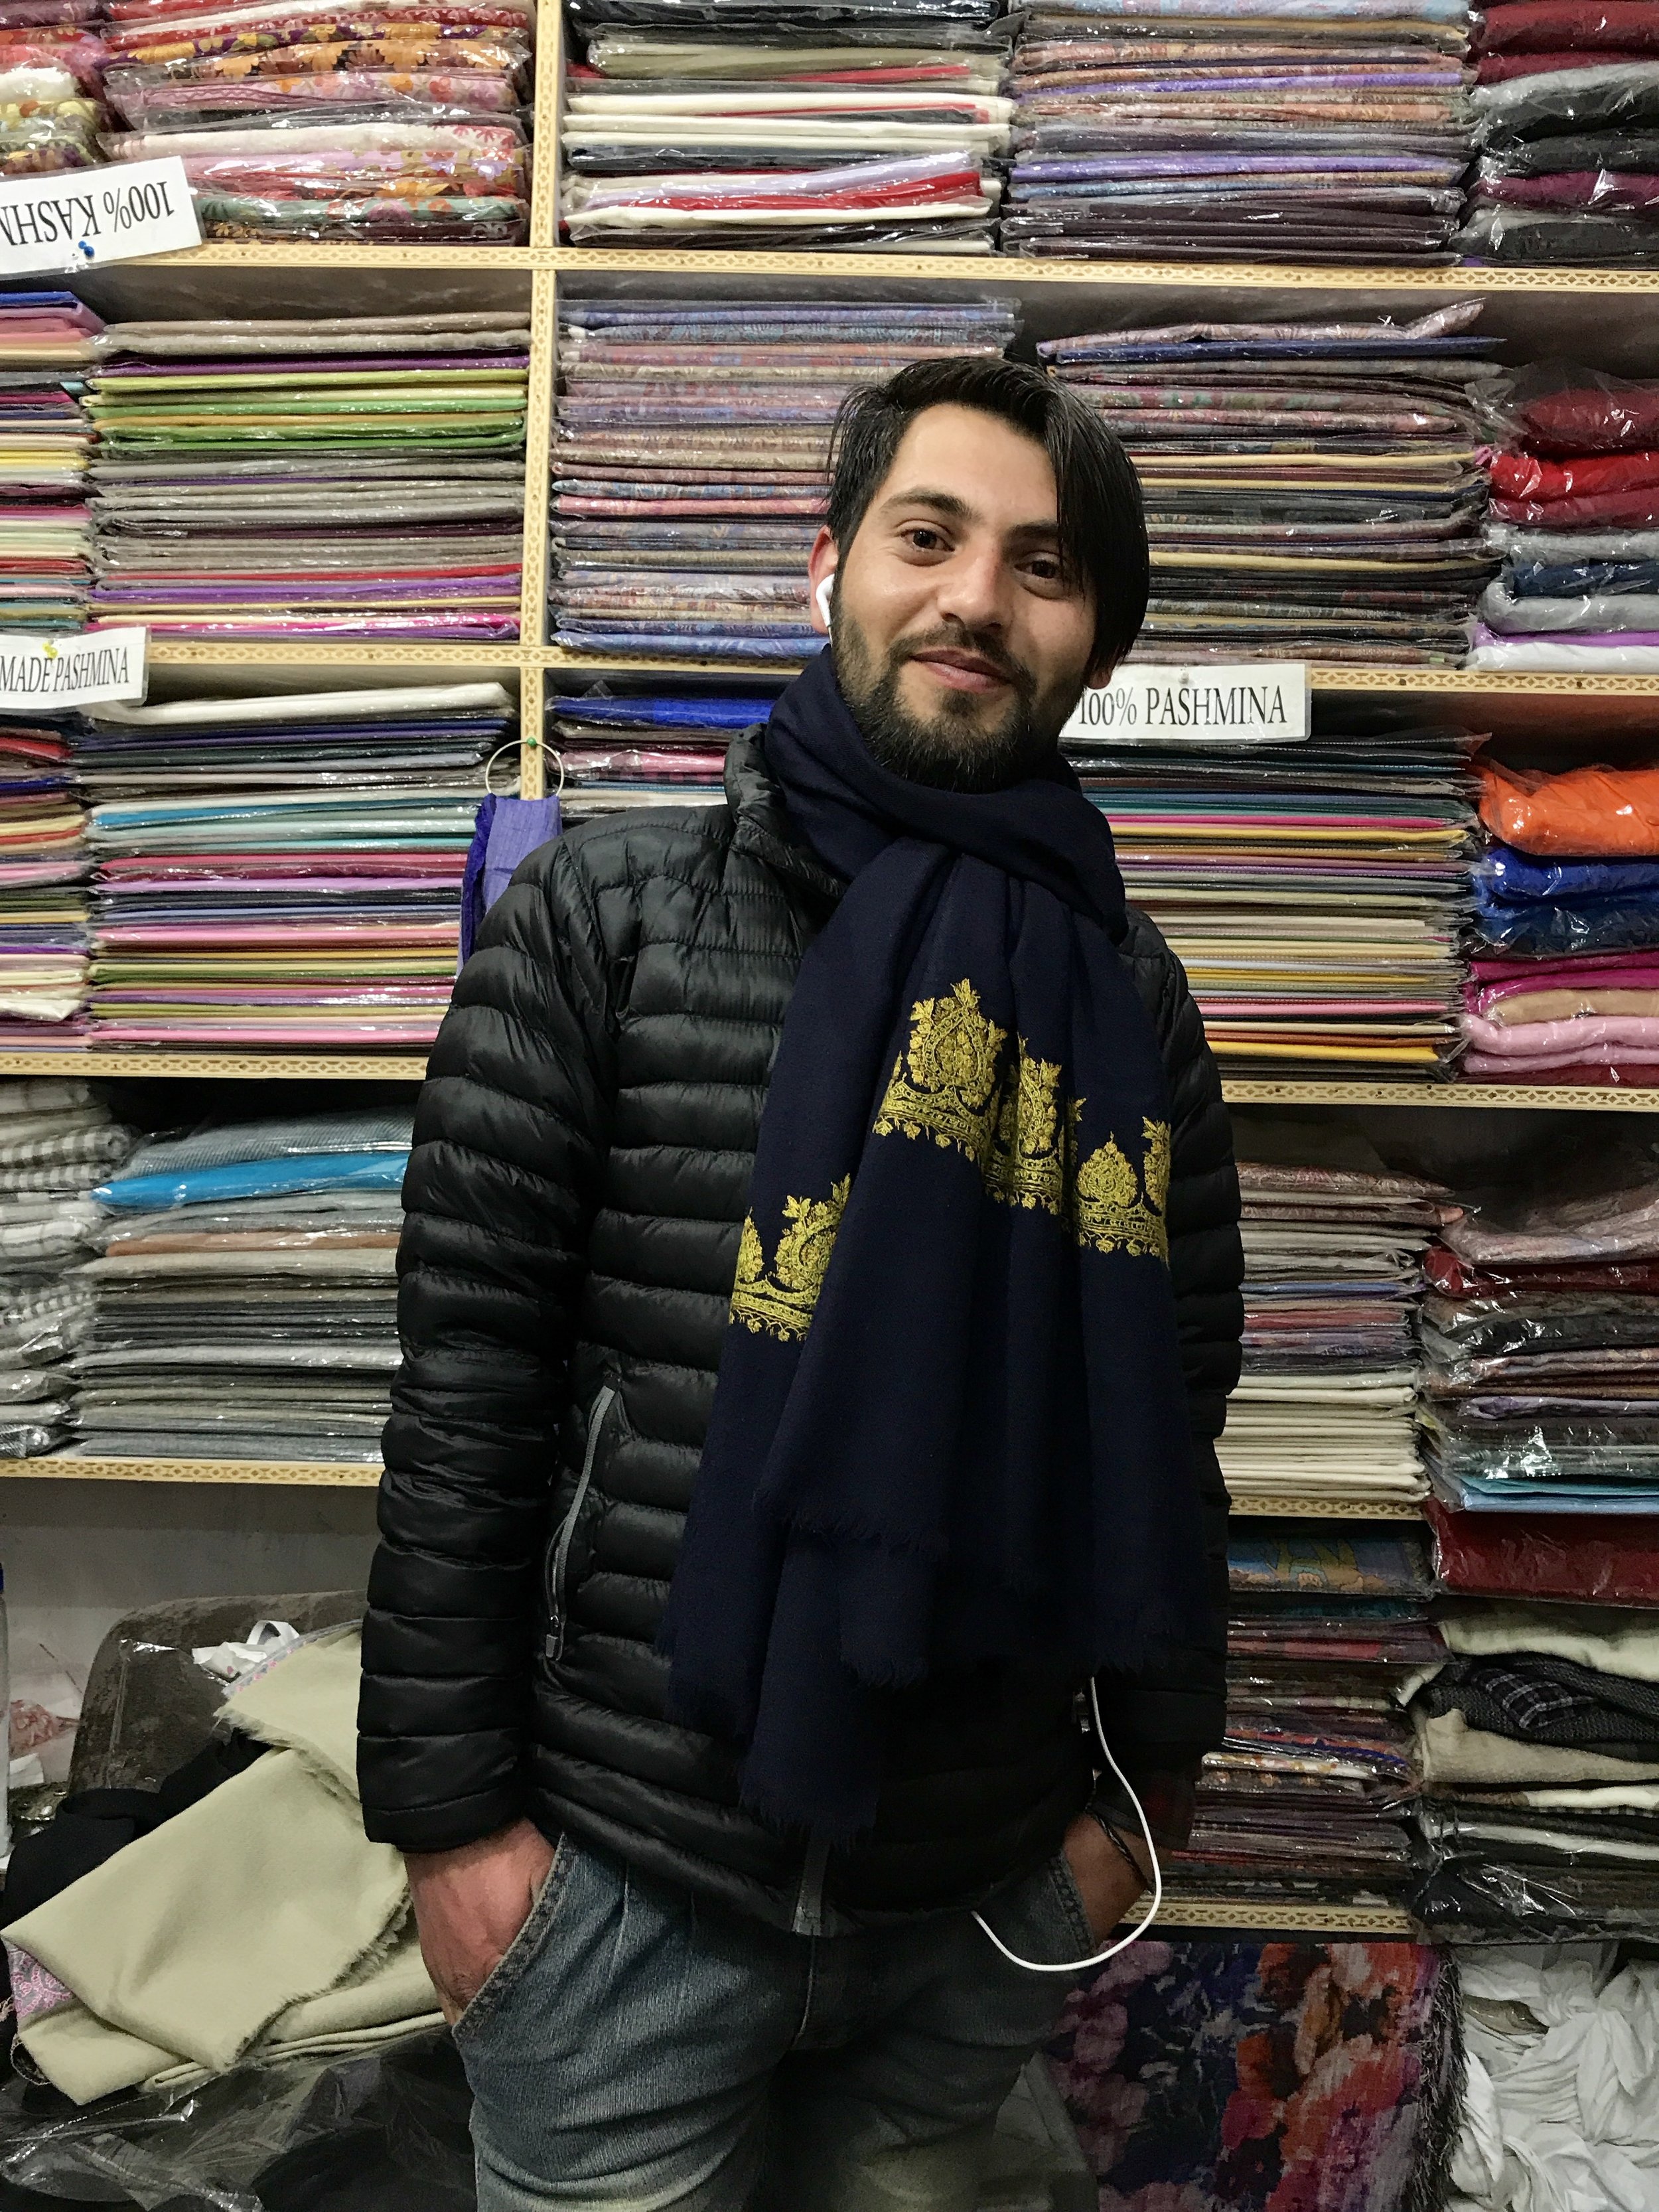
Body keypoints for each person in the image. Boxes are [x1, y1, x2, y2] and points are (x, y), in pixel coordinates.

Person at [358, 355, 1244, 2212]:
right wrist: (454, 1832)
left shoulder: (1125, 996)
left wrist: (1136, 1805)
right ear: (828, 564)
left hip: (979, 1897)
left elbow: (1167, 1415)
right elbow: (466, 1401)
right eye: (926, 536)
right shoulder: (603, 925)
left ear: (1097, 640)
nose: (974, 599)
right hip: (627, 1889)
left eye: (1043, 566)